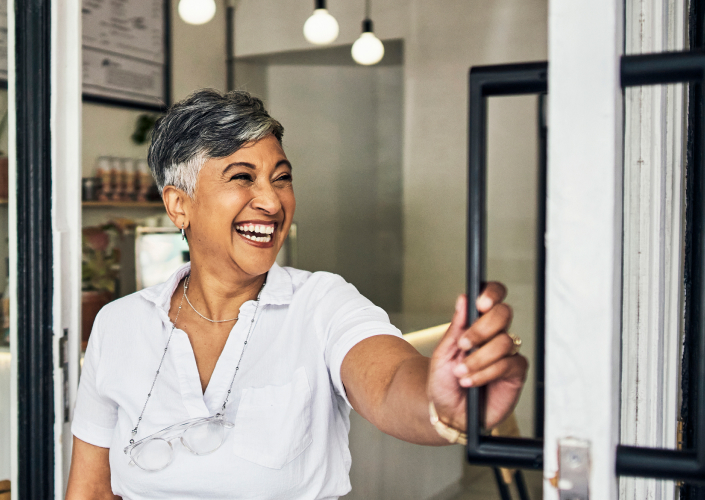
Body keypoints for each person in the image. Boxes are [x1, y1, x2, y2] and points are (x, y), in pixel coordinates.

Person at [66, 89, 528, 499]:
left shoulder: (322, 303)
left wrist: (440, 404)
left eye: (281, 177)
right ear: (178, 204)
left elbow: (388, 382)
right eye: (242, 177)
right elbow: (90, 489)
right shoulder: (119, 324)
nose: (271, 201)